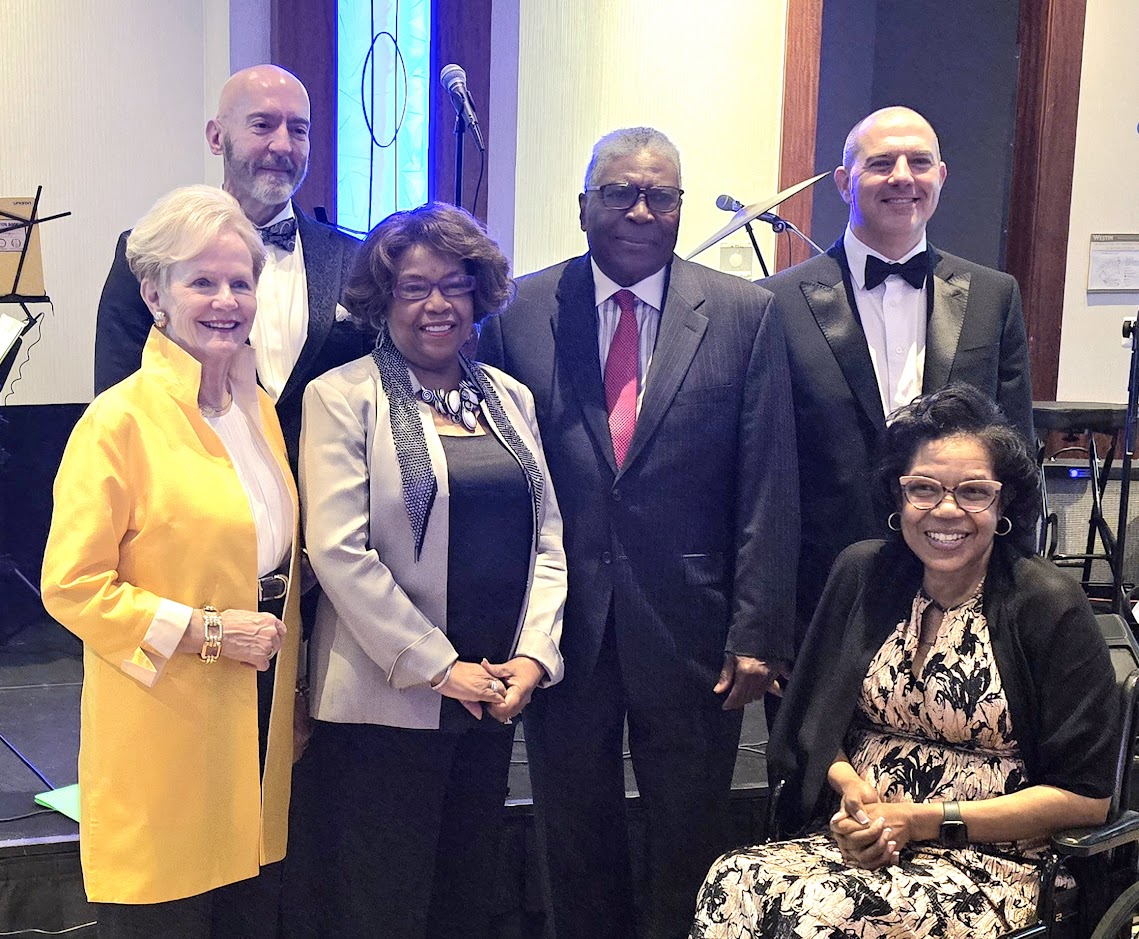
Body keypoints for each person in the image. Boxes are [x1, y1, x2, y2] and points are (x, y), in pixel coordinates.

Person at [478, 127, 799, 939]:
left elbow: (767, 480)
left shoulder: (741, 314)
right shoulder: (519, 314)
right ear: (583, 205)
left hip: (695, 627)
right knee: (570, 828)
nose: (639, 210)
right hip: (564, 628)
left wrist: (757, 627)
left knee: (687, 831)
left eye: (659, 194)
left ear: (681, 209)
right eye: (618, 192)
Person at [691, 384, 1117, 939]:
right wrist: (852, 794)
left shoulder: (1048, 603)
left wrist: (920, 821)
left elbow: (1088, 799)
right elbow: (813, 720)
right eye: (924, 489)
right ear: (898, 499)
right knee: (734, 879)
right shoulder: (864, 574)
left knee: (821, 917)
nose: (946, 510)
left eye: (972, 492)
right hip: (861, 839)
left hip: (1000, 863)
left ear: (1003, 502)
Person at [288, 202, 566, 938]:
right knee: (382, 903)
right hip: (387, 700)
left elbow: (546, 538)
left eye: (453, 283)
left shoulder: (509, 399)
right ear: (383, 301)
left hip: (491, 696)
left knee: (463, 897)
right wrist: (443, 668)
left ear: (479, 292)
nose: (436, 304)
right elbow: (340, 551)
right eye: (413, 287)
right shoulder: (341, 397)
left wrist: (533, 656)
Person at [41, 186, 301, 938]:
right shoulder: (116, 421)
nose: (226, 300)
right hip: (164, 736)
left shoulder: (257, 411)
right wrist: (209, 632)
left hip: (255, 730)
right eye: (202, 281)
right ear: (154, 295)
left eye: (241, 282)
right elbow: (73, 585)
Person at [762, 105, 1034, 645]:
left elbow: (1016, 453)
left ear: (941, 176)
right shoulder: (776, 302)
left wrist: (1018, 584)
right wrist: (765, 622)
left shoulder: (993, 296)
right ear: (845, 181)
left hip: (963, 585)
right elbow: (765, 476)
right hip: (820, 593)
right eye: (882, 163)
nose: (903, 177)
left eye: (920, 161)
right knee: (814, 733)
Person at [94, 64, 363, 470]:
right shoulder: (150, 253)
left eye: (299, 129)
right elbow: (118, 397)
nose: (283, 145)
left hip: (332, 507)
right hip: (196, 501)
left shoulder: (356, 259)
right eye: (263, 125)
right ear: (216, 137)